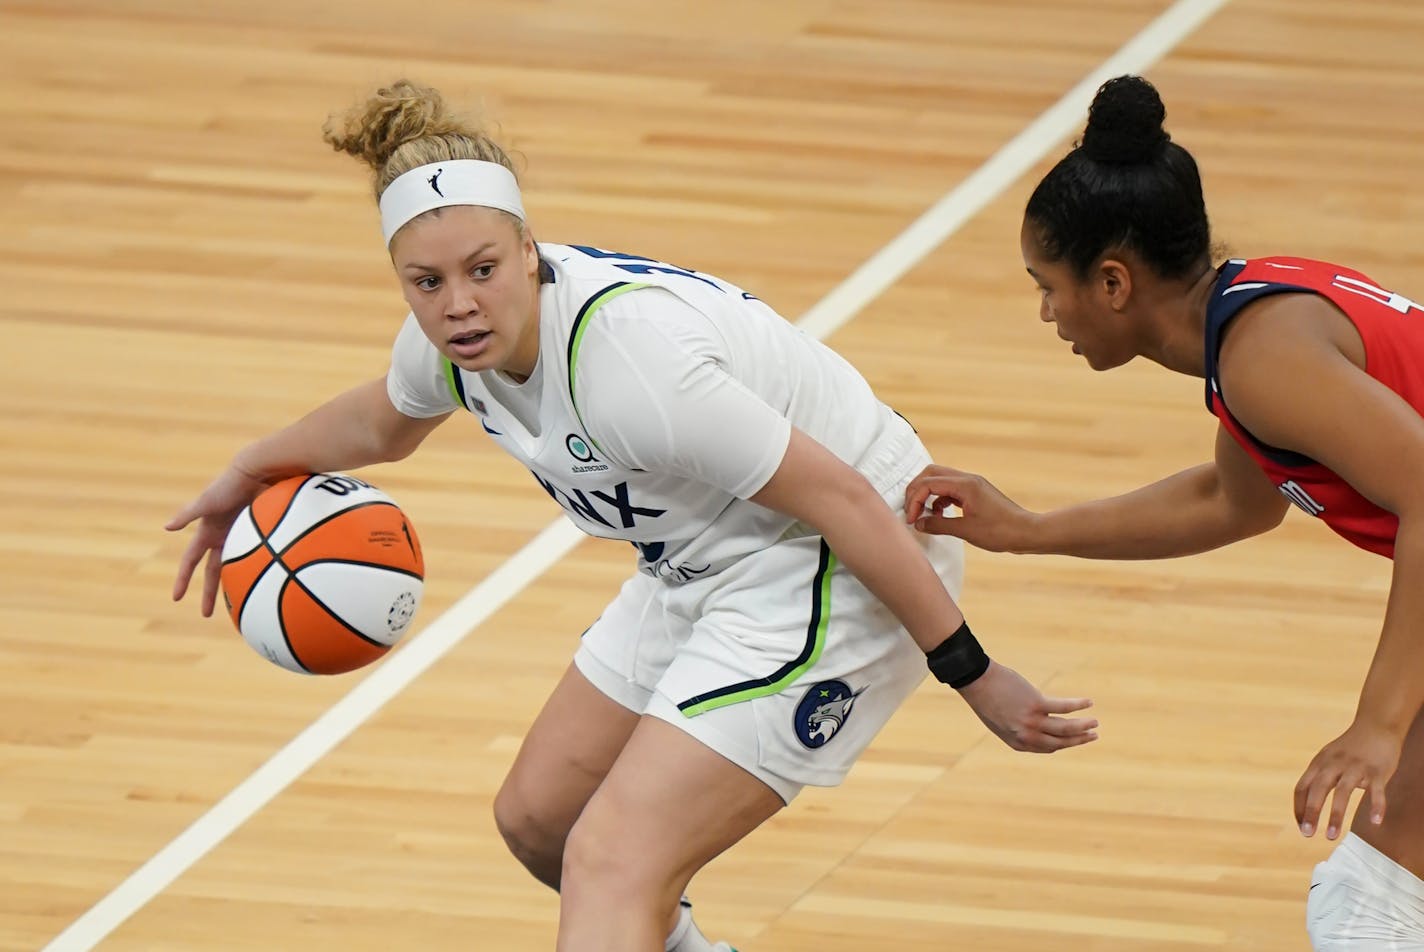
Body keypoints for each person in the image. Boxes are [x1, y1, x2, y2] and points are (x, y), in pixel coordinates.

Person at [166, 79, 1099, 952]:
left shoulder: (631, 368)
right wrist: (247, 470)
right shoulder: (451, 342)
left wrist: (973, 674)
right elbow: (381, 418)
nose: (458, 305)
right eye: (427, 282)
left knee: (613, 860)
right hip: (702, 558)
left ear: (532, 250)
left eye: (483, 269)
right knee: (541, 822)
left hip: (834, 560)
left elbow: (843, 499)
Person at [906, 74, 1424, 950]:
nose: (1046, 312)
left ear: (1112, 283)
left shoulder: (1264, 357)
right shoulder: (1252, 328)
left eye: (1047, 285)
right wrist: (1029, 530)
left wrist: (1379, 723)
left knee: (1370, 905)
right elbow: (1230, 500)